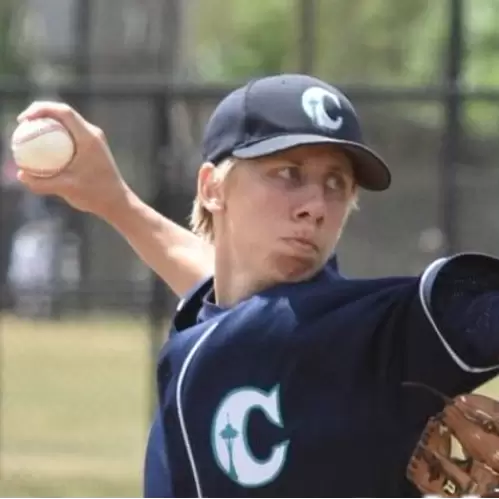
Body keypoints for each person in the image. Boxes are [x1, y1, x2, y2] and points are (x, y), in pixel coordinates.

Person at [15, 73, 499, 498]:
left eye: (336, 183)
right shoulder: (232, 318)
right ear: (212, 188)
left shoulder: (371, 331)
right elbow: (234, 300)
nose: (316, 205)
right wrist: (115, 201)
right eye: (288, 173)